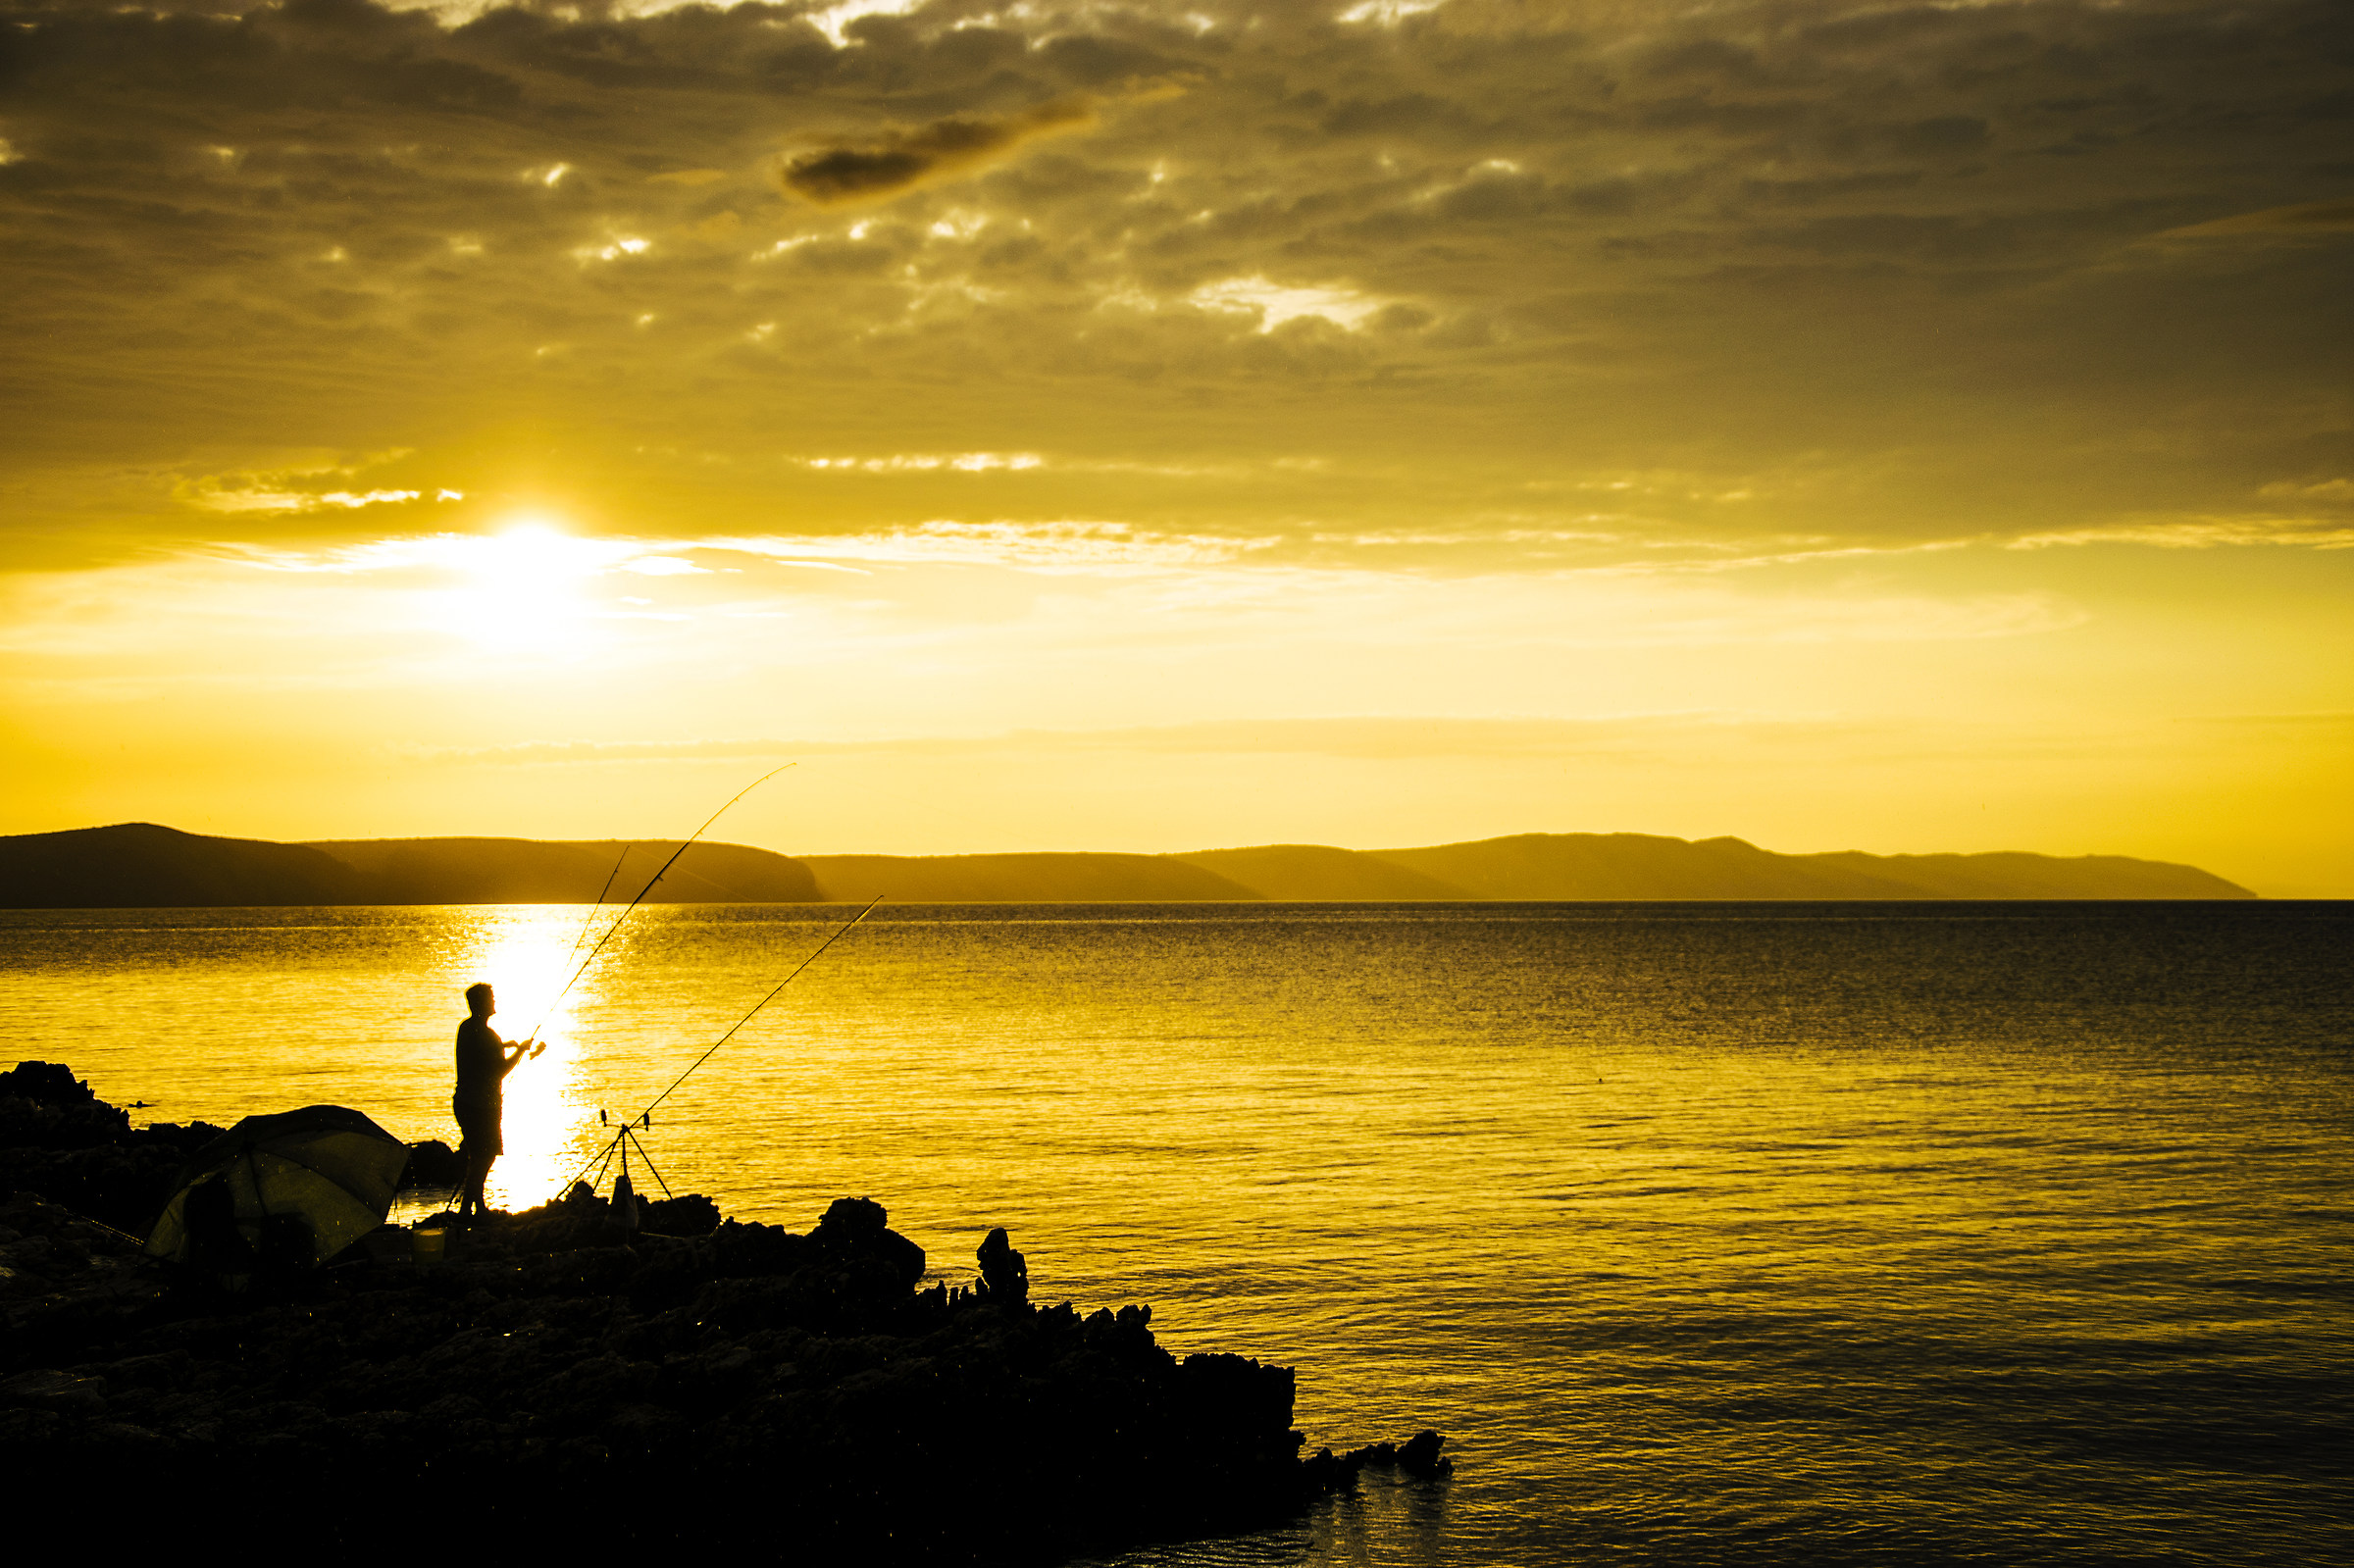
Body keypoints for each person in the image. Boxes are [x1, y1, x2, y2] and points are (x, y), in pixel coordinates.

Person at [453, 982, 541, 1222]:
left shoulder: (467, 1028)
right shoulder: (487, 1035)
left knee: (479, 1156)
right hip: (481, 1107)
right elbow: (500, 1069)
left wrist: (506, 1044)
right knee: (485, 1157)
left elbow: (480, 1053)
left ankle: (473, 1208)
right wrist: (521, 1050)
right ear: (481, 1003)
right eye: (491, 998)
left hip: (465, 1103)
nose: (494, 1001)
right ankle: (469, 1211)